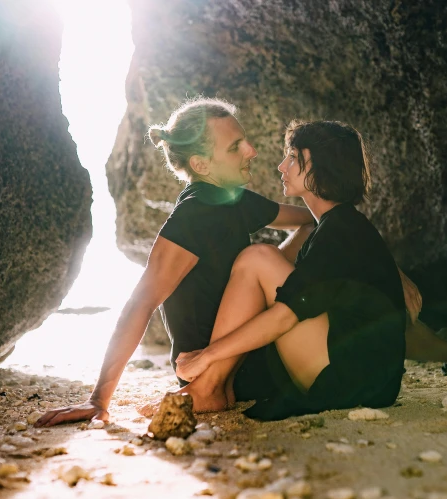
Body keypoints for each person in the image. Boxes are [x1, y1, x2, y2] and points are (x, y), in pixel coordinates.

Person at [175, 120, 447, 420]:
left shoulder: (339, 233)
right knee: (260, 262)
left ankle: (209, 389)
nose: (281, 166)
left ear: (320, 168)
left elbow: (285, 317)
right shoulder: (340, 226)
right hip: (366, 380)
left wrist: (206, 356)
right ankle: (216, 386)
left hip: (347, 382)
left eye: (293, 157)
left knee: (257, 258)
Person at [35, 98, 319, 426]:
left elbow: (312, 221)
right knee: (259, 262)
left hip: (256, 360)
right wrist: (99, 398)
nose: (252, 151)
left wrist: (270, 275)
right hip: (211, 373)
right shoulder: (192, 217)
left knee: (260, 261)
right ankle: (209, 388)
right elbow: (140, 304)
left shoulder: (236, 201)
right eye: (235, 147)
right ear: (200, 164)